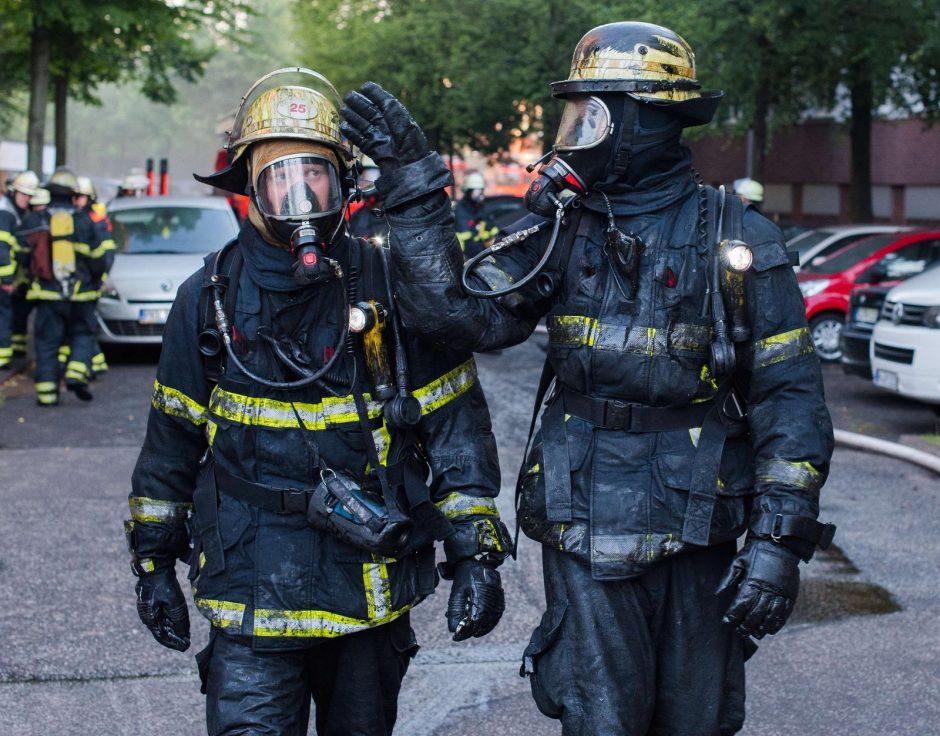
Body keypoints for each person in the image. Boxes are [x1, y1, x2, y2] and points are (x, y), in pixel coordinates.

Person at [342, 21, 835, 736]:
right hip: (583, 520)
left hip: (700, 527)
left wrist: (778, 545)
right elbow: (460, 318)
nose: (575, 133)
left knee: (697, 723)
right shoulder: (563, 229)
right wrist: (414, 187)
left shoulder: (737, 237)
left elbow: (790, 399)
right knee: (601, 721)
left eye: (592, 115)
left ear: (643, 123)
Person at [125, 68, 510, 736]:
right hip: (249, 586)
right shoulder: (208, 295)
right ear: (249, 186)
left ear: (343, 181)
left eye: (316, 175)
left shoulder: (390, 283)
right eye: (278, 177)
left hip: (368, 584)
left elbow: (453, 424)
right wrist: (154, 561)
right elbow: (171, 440)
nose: (298, 194)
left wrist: (476, 552)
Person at [21, 167, 105, 404]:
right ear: (71, 195)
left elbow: (23, 256)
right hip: (81, 295)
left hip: (47, 296)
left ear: (49, 193)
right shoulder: (84, 221)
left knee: (47, 343)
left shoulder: (36, 219)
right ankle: (76, 374)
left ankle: (47, 395)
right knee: (82, 334)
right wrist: (95, 280)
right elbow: (98, 259)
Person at [73, 175, 116, 376]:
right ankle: (95, 363)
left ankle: (91, 365)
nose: (76, 201)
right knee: (83, 323)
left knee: (85, 324)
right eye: (74, 196)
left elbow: (104, 255)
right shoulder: (75, 218)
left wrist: (99, 278)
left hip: (89, 284)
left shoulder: (96, 220)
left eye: (80, 196)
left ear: (89, 198)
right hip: (79, 285)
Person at [0, 170, 38, 369]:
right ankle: (3, 357)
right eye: (23, 195)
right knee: (4, 315)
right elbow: (2, 247)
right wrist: (6, 280)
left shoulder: (14, 211)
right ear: (13, 192)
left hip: (12, 276)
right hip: (3, 277)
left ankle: (13, 350)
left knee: (14, 313)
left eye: (29, 196)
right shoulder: (5, 212)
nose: (27, 199)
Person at [453, 170, 496, 259]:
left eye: (481, 190)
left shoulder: (479, 207)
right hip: (466, 257)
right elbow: (468, 238)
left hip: (481, 253)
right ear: (468, 192)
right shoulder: (461, 210)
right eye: (477, 191)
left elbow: (491, 227)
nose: (480, 194)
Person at [347, 154, 388, 242]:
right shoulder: (356, 217)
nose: (363, 184)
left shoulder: (398, 216)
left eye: (369, 178)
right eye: (362, 178)